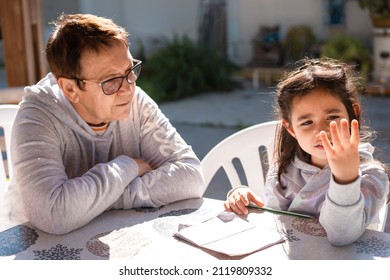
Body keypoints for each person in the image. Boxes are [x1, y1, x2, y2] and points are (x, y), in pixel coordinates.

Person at [3, 13, 205, 235]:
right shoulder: (37, 117)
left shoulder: (134, 100)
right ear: (70, 89)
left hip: (110, 235)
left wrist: (100, 199)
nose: (128, 88)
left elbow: (191, 176)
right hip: (27, 247)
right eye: (111, 81)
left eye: (130, 71)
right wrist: (128, 167)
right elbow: (54, 215)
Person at [224, 57, 390, 246]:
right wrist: (245, 197)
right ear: (291, 129)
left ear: (354, 114)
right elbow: (273, 223)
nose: (321, 131)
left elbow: (341, 236)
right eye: (307, 122)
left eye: (332, 117)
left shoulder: (372, 175)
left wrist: (345, 178)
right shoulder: (284, 171)